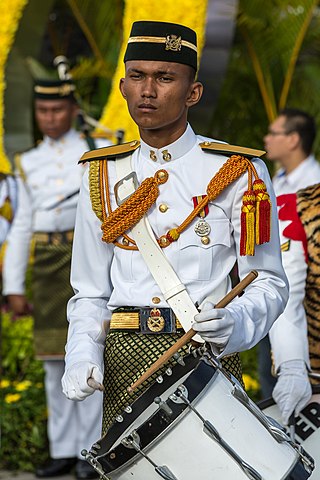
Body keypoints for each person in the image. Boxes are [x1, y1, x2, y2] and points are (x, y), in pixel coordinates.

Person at [61, 20, 288, 444]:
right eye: (138, 76)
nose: (148, 90)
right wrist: (81, 351)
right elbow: (89, 289)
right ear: (123, 86)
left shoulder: (236, 171)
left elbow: (269, 281)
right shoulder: (101, 174)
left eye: (165, 78)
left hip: (207, 357)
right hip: (125, 362)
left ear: (193, 92)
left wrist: (236, 322)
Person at [2, 78, 111, 479]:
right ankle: (63, 449)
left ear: (72, 110)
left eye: (57, 110)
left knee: (92, 351)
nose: (49, 118)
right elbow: (20, 225)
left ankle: (90, 450)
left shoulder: (96, 151)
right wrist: (13, 287)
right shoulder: (28, 162)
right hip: (48, 261)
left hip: (89, 252)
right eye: (42, 111)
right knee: (53, 361)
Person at [261, 108, 320, 424]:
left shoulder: (314, 185)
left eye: (274, 133)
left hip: (306, 312)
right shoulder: (276, 179)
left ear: (293, 139)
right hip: (272, 300)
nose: (266, 139)